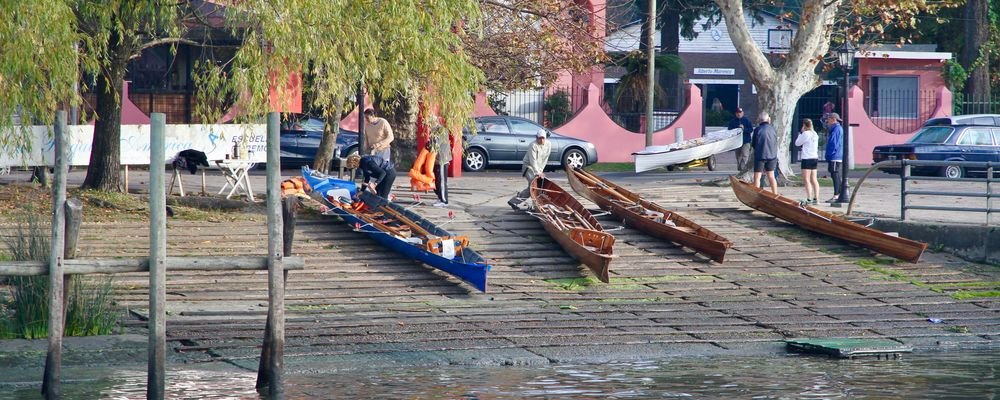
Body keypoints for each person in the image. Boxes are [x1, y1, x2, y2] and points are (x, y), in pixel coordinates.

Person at [507, 129, 551, 210]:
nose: (541, 140)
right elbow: (533, 160)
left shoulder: (548, 145)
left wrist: (540, 171)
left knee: (531, 188)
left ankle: (514, 201)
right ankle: (535, 206)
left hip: (538, 168)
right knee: (534, 185)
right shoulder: (533, 145)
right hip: (528, 167)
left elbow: (545, 159)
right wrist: (537, 172)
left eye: (543, 138)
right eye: (539, 138)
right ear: (536, 138)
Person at [795, 118, 820, 205]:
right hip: (814, 157)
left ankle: (809, 197)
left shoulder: (805, 134)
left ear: (804, 125)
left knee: (806, 179)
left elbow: (797, 143)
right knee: (814, 179)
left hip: (807, 158)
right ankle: (816, 197)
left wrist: (800, 133)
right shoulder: (815, 134)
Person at [752, 111, 778, 194]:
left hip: (760, 155)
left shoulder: (757, 130)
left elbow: (753, 144)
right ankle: (775, 194)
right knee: (771, 176)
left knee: (757, 177)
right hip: (772, 155)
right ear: (769, 119)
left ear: (760, 120)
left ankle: (756, 195)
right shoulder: (773, 129)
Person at [824, 113, 844, 202]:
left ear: (833, 119)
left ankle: (837, 194)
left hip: (835, 156)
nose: (827, 121)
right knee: (834, 174)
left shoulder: (836, 129)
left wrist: (830, 154)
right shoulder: (836, 129)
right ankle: (838, 193)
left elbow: (833, 143)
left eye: (828, 119)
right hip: (835, 155)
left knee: (835, 174)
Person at [430, 124, 452, 207]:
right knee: (437, 181)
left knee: (442, 181)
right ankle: (440, 197)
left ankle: (444, 200)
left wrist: (428, 144)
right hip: (438, 160)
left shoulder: (440, 130)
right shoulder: (436, 130)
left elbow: (435, 144)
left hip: (442, 160)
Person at [728, 107, 754, 174]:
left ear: (743, 113)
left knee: (745, 155)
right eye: (737, 113)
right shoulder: (732, 121)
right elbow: (729, 130)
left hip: (745, 141)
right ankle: (739, 169)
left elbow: (751, 130)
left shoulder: (747, 121)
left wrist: (744, 129)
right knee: (738, 156)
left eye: (740, 113)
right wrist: (736, 130)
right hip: (736, 141)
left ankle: (744, 168)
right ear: (735, 114)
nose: (739, 114)